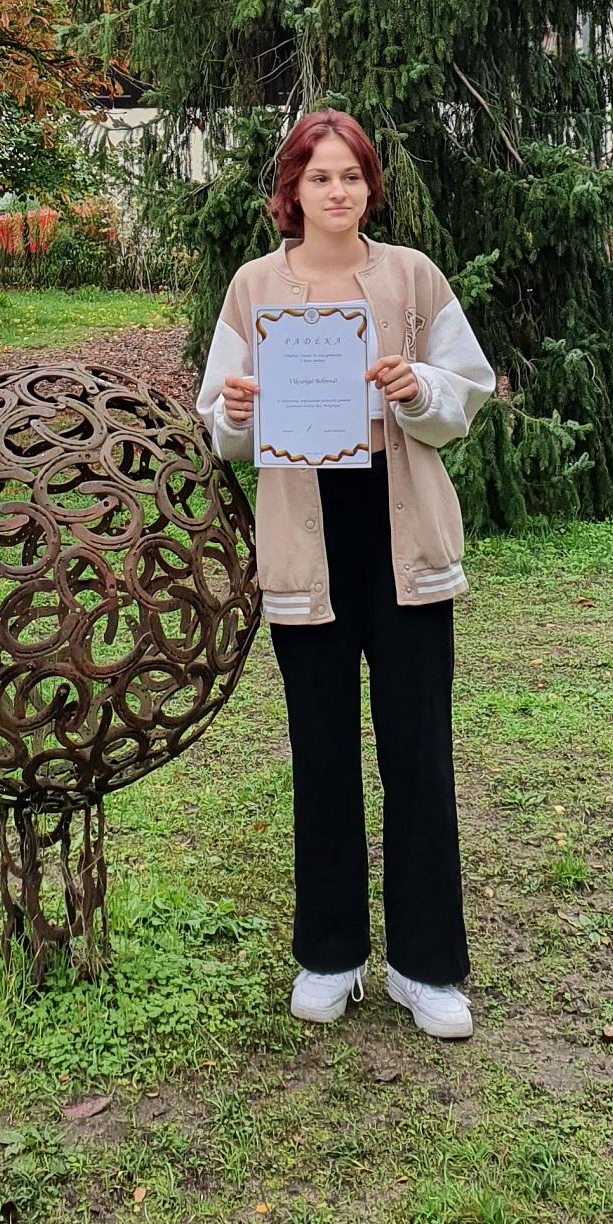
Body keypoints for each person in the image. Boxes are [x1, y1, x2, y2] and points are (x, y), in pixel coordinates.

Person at [198, 109, 495, 1040]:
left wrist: (422, 392)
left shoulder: (411, 277)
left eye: (352, 175)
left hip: (398, 530)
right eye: (319, 176)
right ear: (291, 190)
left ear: (371, 185)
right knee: (321, 748)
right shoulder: (254, 288)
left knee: (417, 747)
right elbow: (221, 424)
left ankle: (427, 966)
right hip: (306, 529)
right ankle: (330, 954)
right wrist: (238, 408)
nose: (337, 191)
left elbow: (469, 390)